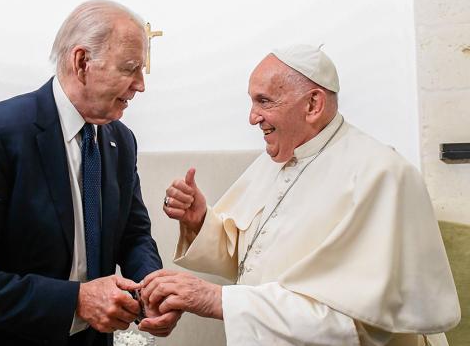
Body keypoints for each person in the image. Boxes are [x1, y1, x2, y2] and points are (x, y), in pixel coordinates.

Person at [140, 44, 461, 345]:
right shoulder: (275, 161)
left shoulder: (382, 175)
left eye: (264, 101)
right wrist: (201, 221)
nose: (252, 117)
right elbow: (252, 258)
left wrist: (216, 299)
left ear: (313, 104)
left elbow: (356, 323)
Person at [0, 0, 179, 346]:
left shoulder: (121, 140)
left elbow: (133, 235)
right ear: (81, 62)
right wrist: (77, 300)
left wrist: (152, 287)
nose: (140, 85)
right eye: (131, 68)